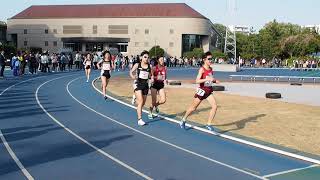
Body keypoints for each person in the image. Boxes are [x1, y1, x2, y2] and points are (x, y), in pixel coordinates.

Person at [179, 52, 220, 131]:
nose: (211, 60)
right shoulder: (202, 69)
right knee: (193, 108)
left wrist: (215, 81)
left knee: (215, 106)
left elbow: (210, 79)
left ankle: (208, 124)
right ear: (204, 60)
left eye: (211, 59)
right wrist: (206, 79)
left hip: (208, 91)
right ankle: (183, 120)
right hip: (201, 91)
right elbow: (197, 81)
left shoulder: (211, 69)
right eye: (209, 59)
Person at [130, 50, 153, 126]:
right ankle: (139, 119)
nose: (146, 58)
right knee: (141, 101)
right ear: (141, 57)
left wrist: (151, 79)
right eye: (145, 57)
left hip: (145, 85)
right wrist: (133, 76)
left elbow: (150, 75)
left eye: (148, 57)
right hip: (138, 84)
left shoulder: (150, 66)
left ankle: (136, 102)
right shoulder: (137, 65)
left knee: (142, 103)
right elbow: (131, 72)